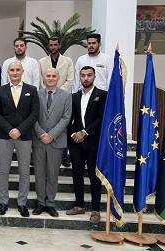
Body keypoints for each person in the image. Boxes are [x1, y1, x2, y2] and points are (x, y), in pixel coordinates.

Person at [0, 61, 39, 217]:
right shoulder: (0, 90)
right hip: (5, 136)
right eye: (12, 70)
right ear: (8, 72)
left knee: (24, 172)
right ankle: (3, 202)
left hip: (24, 136)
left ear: (22, 71)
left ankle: (22, 203)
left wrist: (19, 130)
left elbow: (34, 114)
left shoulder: (31, 90)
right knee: (3, 171)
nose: (15, 73)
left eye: (18, 70)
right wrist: (10, 129)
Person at [66, 66, 107, 224]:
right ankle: (79, 205)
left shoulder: (102, 95)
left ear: (94, 77)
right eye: (83, 75)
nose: (86, 78)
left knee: (93, 176)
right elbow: (68, 118)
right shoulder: (74, 96)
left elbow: (100, 118)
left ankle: (95, 209)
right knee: (76, 174)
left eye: (89, 75)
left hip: (93, 142)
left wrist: (84, 132)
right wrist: (73, 134)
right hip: (76, 142)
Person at [32, 68, 72, 217]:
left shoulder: (66, 96)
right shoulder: (36, 94)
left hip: (56, 141)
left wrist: (52, 135)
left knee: (53, 174)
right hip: (39, 140)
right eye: (48, 76)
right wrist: (42, 133)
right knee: (39, 173)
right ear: (43, 77)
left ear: (58, 78)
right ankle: (40, 203)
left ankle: (50, 204)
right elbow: (33, 115)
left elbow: (66, 118)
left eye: (53, 76)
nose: (50, 78)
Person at [38, 37, 74, 167]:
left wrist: (58, 92)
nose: (53, 47)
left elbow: (70, 80)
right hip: (45, 95)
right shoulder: (42, 61)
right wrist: (48, 90)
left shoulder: (68, 61)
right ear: (48, 46)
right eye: (51, 45)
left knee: (62, 126)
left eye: (55, 45)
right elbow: (40, 80)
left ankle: (63, 156)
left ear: (59, 45)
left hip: (62, 97)